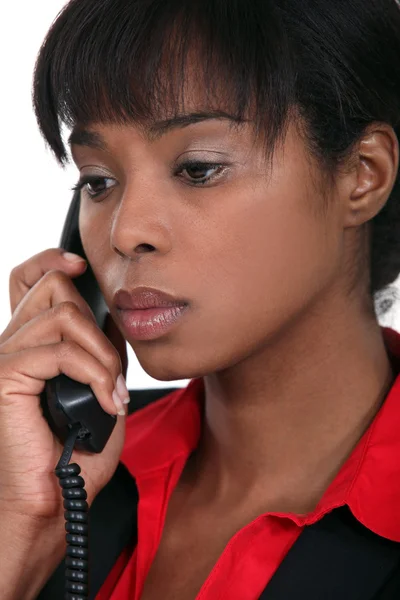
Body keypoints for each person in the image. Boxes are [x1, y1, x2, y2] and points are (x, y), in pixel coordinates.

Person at [2, 0, 400, 598]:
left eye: (197, 169)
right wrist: (21, 533)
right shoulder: (69, 476)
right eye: (98, 182)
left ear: (362, 173)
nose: (124, 230)